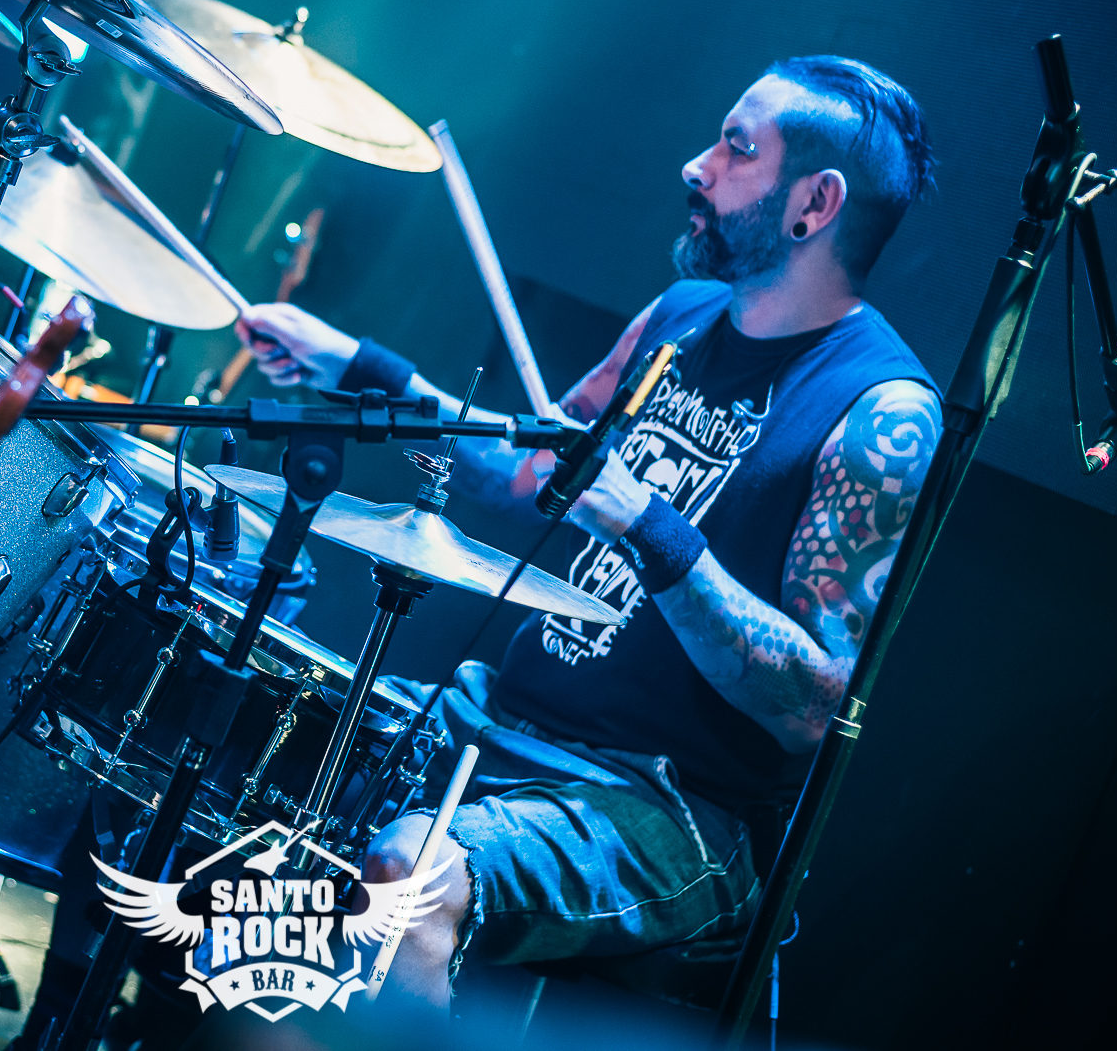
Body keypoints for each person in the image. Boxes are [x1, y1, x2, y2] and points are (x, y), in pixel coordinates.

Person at [235, 57, 944, 1014]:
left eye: (736, 150)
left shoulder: (880, 412)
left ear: (814, 204)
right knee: (256, 731)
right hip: (506, 719)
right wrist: (367, 373)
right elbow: (530, 475)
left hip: (670, 802)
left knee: (410, 873)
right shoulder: (679, 317)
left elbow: (812, 705)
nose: (696, 166)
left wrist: (648, 524)